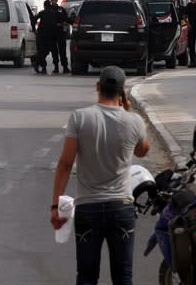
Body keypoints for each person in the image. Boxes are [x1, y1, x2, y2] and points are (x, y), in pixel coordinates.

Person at [51, 66, 150, 285]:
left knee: (86, 277)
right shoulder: (133, 121)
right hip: (121, 207)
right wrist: (129, 111)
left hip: (88, 208)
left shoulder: (79, 118)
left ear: (98, 87)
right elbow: (143, 150)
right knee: (123, 277)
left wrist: (55, 206)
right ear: (123, 92)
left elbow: (66, 164)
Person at [35, 0, 59, 74]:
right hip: (52, 36)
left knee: (42, 52)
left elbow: (33, 19)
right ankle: (56, 67)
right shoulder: (55, 13)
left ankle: (43, 67)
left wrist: (34, 29)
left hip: (43, 36)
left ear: (45, 6)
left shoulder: (42, 13)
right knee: (54, 52)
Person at [51, 0, 71, 73]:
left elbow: (66, 19)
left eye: (54, 0)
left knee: (62, 51)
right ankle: (56, 67)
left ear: (56, 1)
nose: (53, 2)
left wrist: (73, 22)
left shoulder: (61, 10)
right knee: (54, 51)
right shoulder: (49, 10)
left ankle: (65, 67)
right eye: (52, 0)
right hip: (53, 33)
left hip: (61, 33)